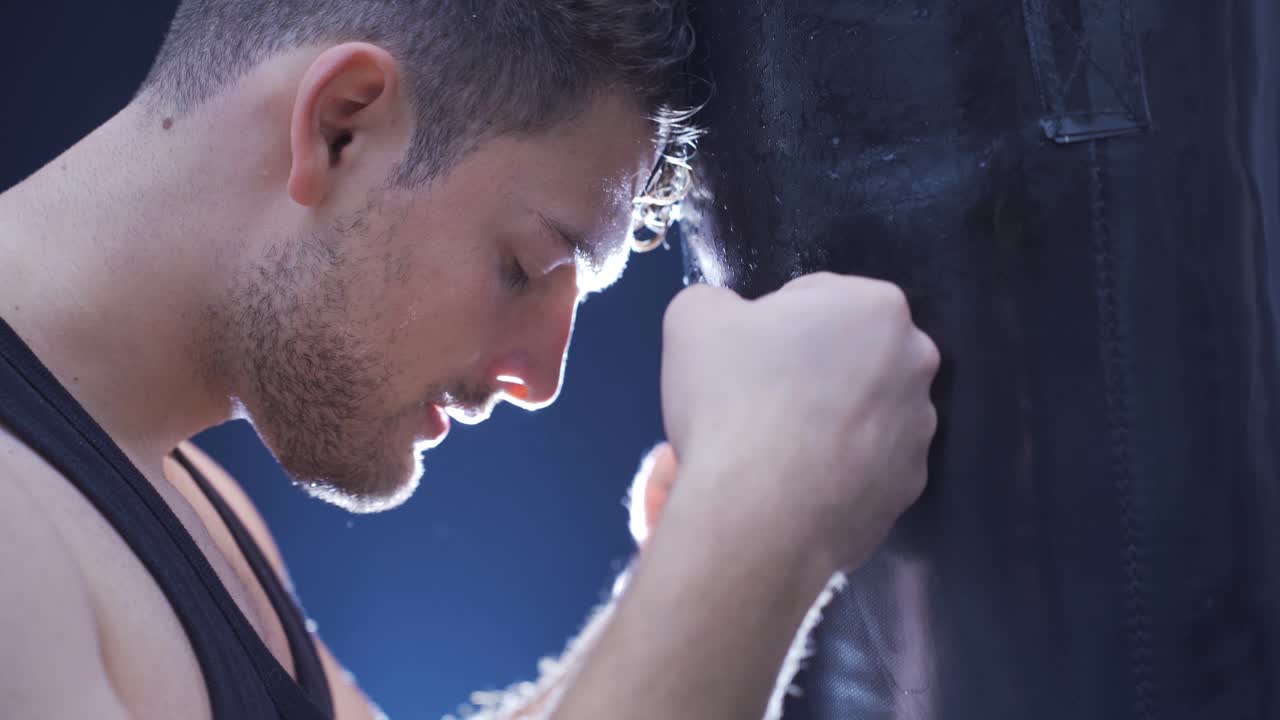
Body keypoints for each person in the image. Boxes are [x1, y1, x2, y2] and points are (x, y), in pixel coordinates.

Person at [0, 1, 940, 718]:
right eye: (524, 265)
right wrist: (758, 526)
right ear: (342, 124)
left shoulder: (183, 504)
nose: (539, 382)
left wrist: (693, 577)